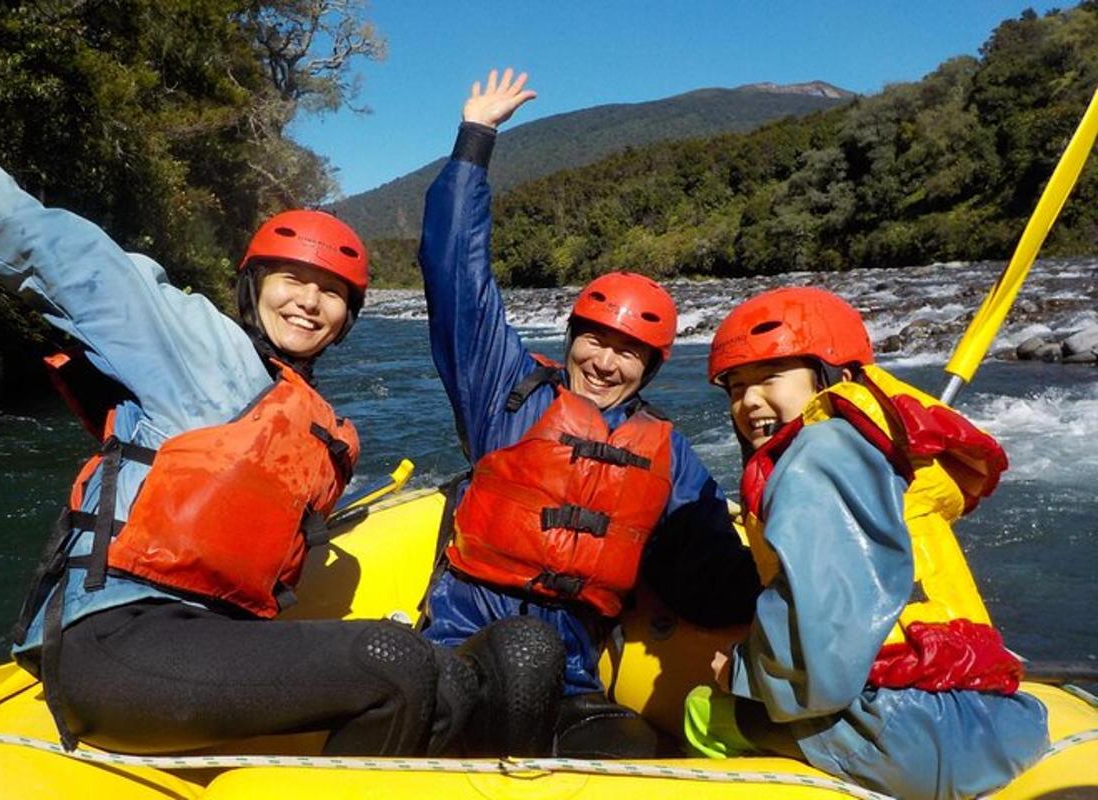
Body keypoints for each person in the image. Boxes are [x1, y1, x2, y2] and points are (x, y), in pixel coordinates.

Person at [0, 78, 478, 756]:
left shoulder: (325, 429)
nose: (309, 302)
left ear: (348, 319)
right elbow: (61, 252)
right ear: (251, 287)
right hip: (118, 642)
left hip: (216, 643)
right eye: (291, 280)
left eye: (332, 294)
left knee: (452, 678)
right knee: (394, 660)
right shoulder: (193, 346)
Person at [418, 69, 760, 757]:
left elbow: (717, 582)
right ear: (570, 339)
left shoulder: (671, 456)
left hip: (574, 679)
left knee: (633, 748)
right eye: (595, 340)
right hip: (457, 651)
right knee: (519, 653)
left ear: (652, 369)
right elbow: (456, 273)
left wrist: (779, 479)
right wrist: (475, 141)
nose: (605, 362)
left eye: (628, 353)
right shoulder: (505, 389)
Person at [688, 286, 1050, 799]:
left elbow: (821, 665)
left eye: (769, 377)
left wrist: (742, 671)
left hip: (898, 732)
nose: (748, 401)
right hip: (1000, 722)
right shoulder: (893, 449)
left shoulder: (818, 452)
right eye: (734, 387)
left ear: (831, 376)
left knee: (702, 713)